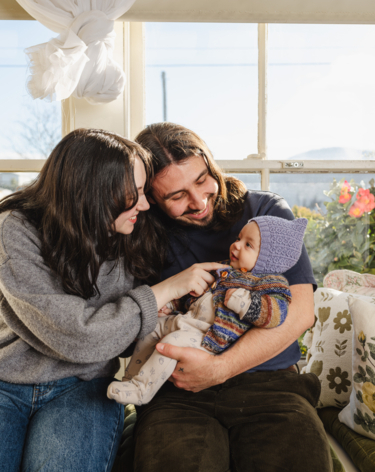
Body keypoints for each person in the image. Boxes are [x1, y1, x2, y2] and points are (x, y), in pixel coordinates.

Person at [0, 128, 225, 472]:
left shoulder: (132, 234)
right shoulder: (13, 229)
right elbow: (78, 336)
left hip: (85, 386)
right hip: (6, 381)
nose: (145, 204)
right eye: (134, 194)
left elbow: (118, 342)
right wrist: (163, 291)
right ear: (91, 194)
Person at [129, 122, 333, 472]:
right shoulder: (139, 234)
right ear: (151, 199)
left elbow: (300, 314)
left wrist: (219, 369)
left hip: (272, 385)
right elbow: (125, 324)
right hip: (177, 390)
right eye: (176, 196)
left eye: (201, 179)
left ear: (210, 163)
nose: (199, 201)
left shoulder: (266, 214)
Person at [107, 215, 307, 406]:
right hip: (184, 319)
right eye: (239, 238)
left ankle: (143, 390)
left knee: (169, 345)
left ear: (267, 260)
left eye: (248, 245)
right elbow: (194, 293)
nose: (236, 245)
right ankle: (131, 378)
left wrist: (245, 303)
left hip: (208, 336)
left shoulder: (269, 284)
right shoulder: (223, 269)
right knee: (150, 329)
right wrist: (171, 306)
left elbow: (276, 314)